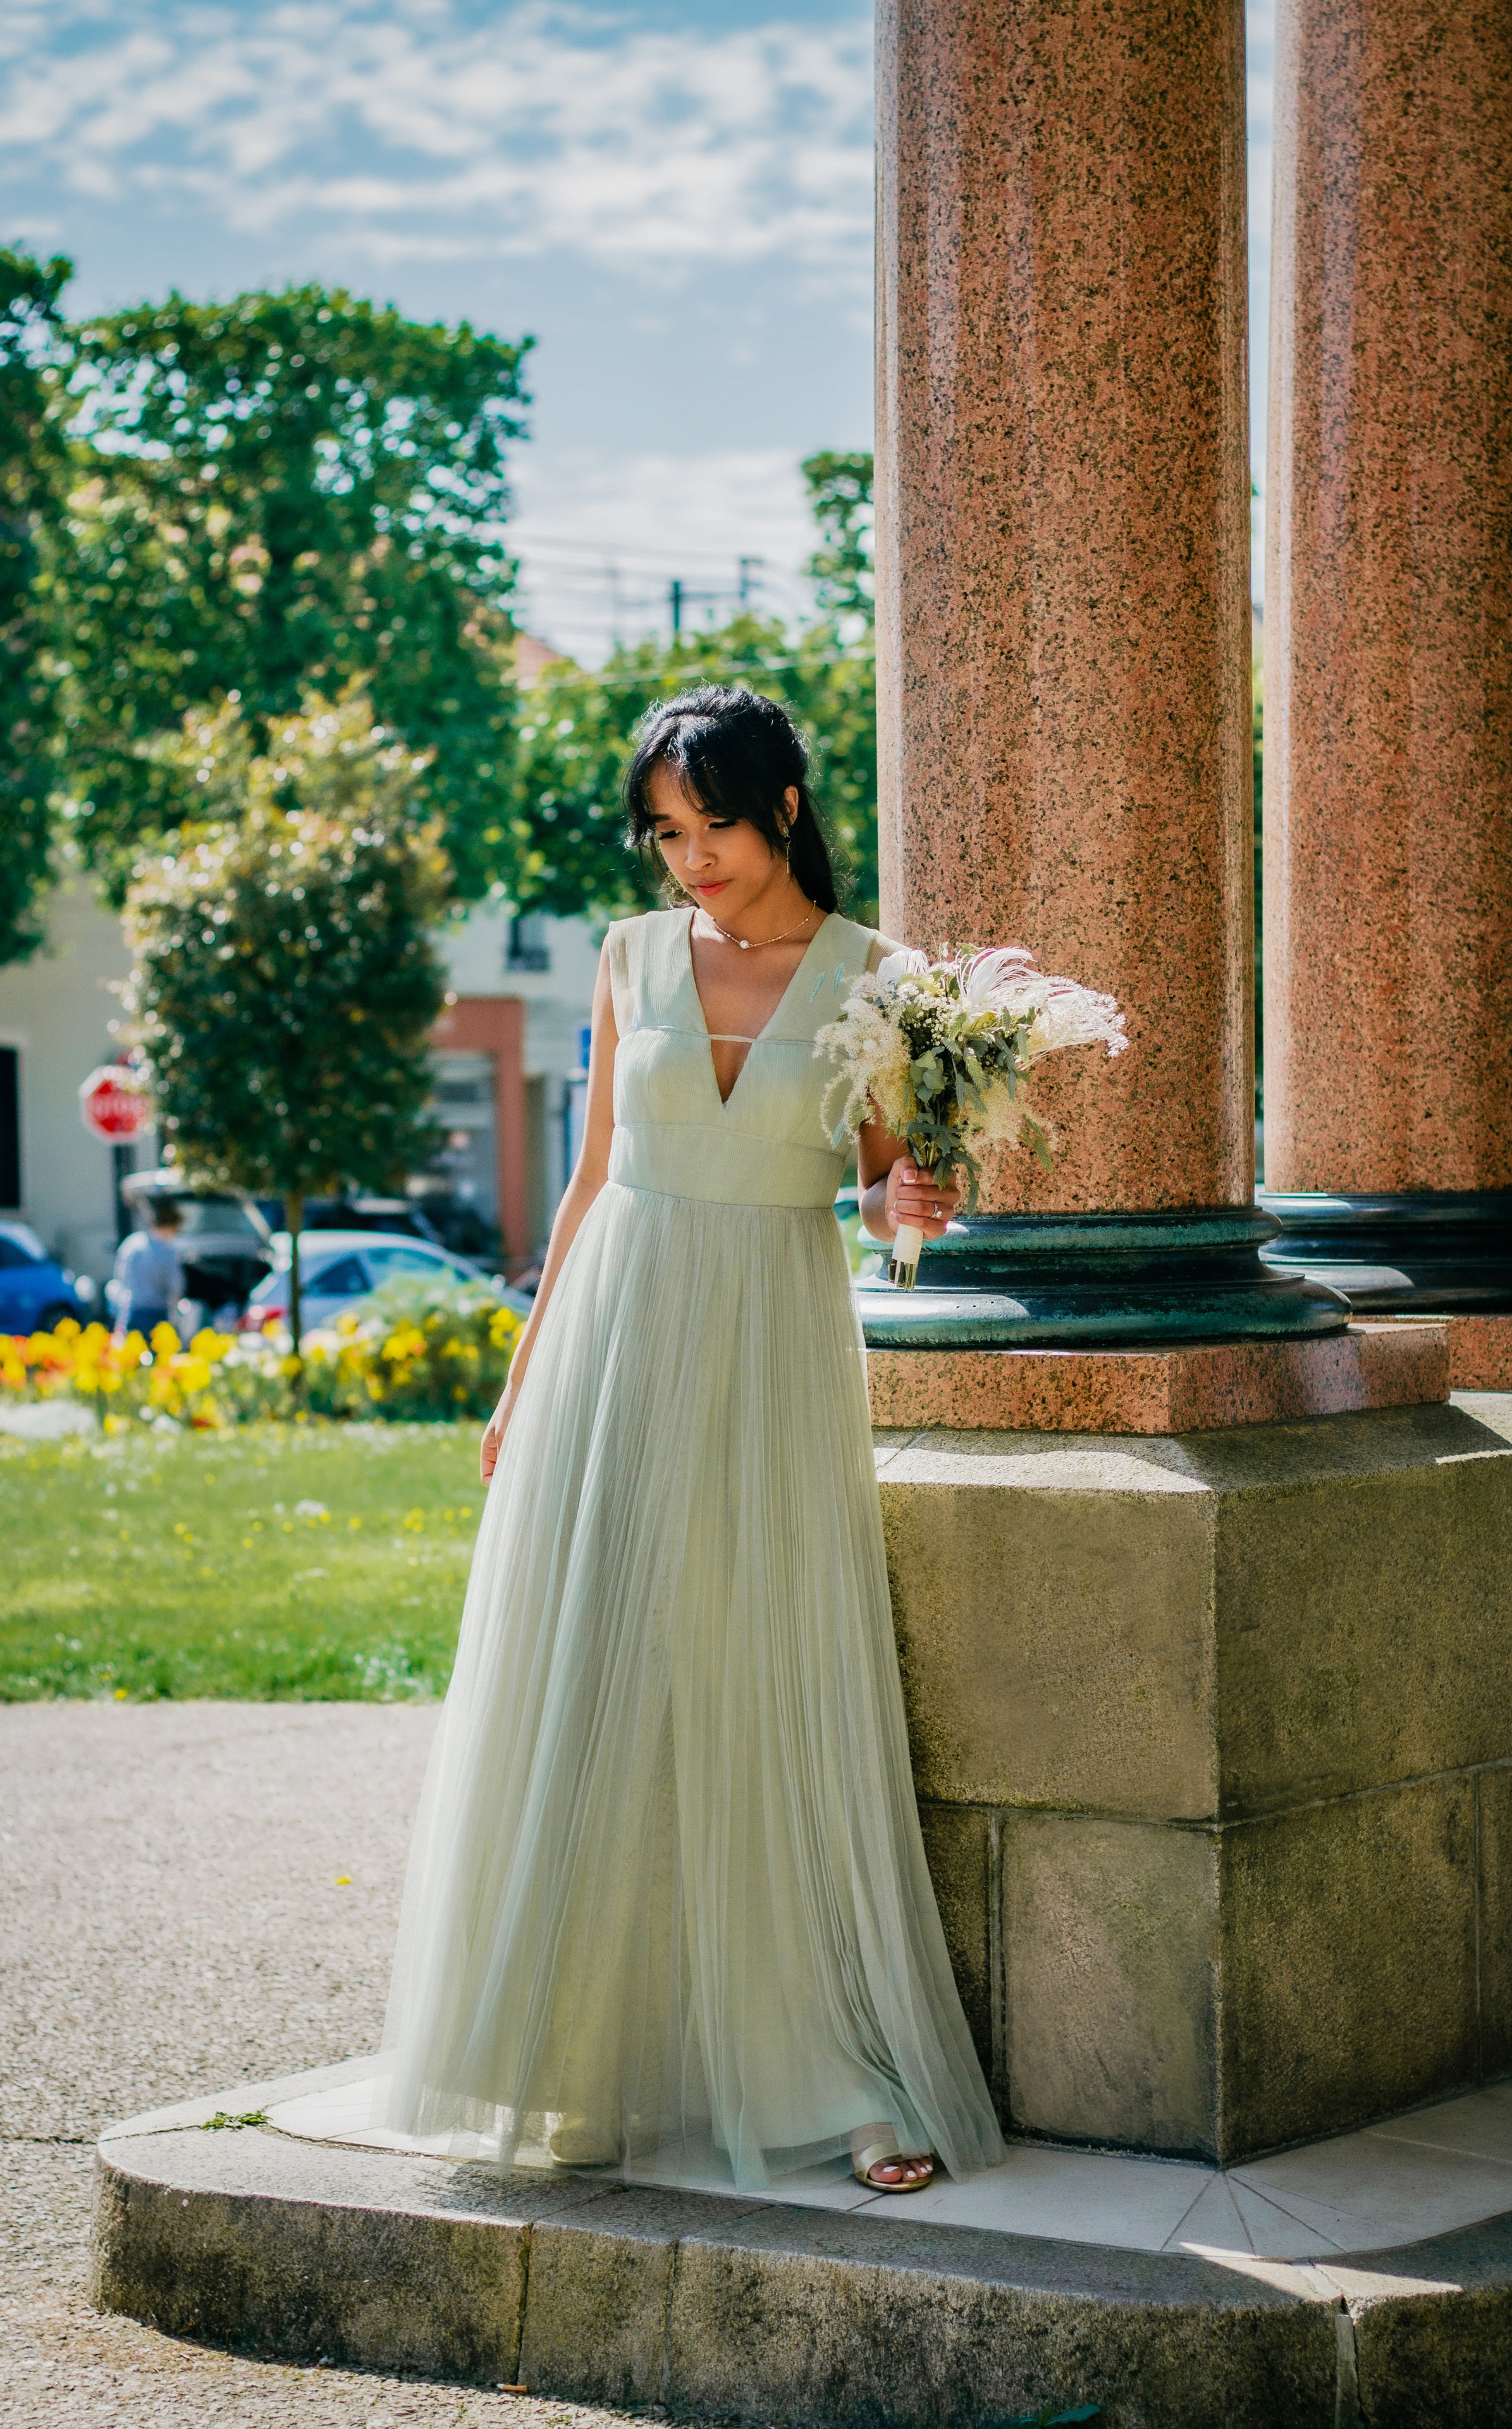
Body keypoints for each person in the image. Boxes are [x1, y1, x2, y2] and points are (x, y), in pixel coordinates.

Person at [368, 687, 1004, 2196]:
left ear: (782, 803)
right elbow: (588, 1180)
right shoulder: (627, 955)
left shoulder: (875, 977)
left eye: (710, 821)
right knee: (594, 1661)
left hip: (775, 1344)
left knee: (760, 1672)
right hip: (619, 1330)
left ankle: (834, 2071)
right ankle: (560, 2063)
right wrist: (525, 1381)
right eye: (663, 829)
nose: (688, 858)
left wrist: (919, 1202)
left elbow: (880, 1188)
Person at [111, 1201, 184, 1340]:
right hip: (158, 1315)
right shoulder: (168, 1252)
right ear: (170, 1227)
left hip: (130, 1313)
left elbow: (119, 1281)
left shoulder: (130, 1244)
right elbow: (176, 1289)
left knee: (132, 1357)